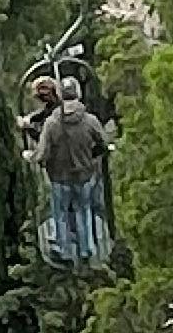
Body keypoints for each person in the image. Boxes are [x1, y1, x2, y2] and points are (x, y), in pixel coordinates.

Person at [23, 71, 115, 267]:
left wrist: (31, 157)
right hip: (84, 174)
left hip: (59, 177)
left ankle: (64, 250)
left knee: (61, 213)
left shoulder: (52, 123)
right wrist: (92, 156)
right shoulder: (90, 120)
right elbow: (104, 143)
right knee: (84, 209)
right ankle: (87, 248)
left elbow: (42, 153)